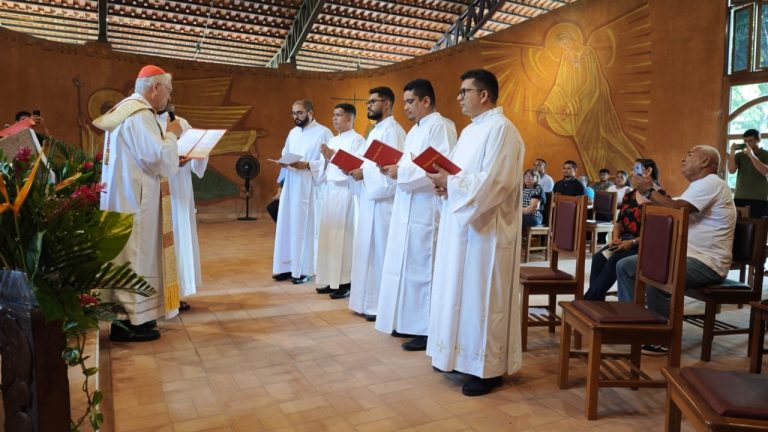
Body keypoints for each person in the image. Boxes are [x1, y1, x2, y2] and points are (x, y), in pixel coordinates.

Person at [426, 69, 525, 396]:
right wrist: (444, 185)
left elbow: (496, 182)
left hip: (488, 232)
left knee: (483, 299)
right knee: (458, 294)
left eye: (464, 91)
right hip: (462, 227)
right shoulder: (470, 132)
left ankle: (487, 370)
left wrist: (450, 183)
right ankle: (456, 355)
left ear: (483, 95)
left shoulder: (503, 130)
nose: (459, 97)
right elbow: (458, 175)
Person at [615, 145, 736, 355]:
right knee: (625, 265)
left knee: (660, 273)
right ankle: (631, 322)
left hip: (707, 263)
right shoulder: (698, 186)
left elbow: (678, 209)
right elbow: (670, 207)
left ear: (706, 161)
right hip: (687, 256)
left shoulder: (712, 183)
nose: (683, 159)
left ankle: (660, 337)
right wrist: (649, 190)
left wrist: (649, 190)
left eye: (689, 154)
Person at [95, 65, 184, 342]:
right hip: (137, 202)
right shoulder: (140, 114)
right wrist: (171, 134)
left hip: (124, 197)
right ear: (155, 88)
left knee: (128, 258)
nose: (168, 98)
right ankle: (129, 323)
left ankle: (137, 318)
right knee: (135, 258)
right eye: (168, 91)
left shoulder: (124, 110)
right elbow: (158, 159)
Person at [376, 79, 457, 351]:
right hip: (407, 205)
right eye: (405, 102)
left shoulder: (441, 126)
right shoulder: (414, 131)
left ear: (425, 101)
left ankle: (426, 329)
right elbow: (407, 162)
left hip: (427, 210)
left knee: (424, 268)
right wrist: (392, 168)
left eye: (411, 101)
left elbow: (439, 167)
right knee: (407, 268)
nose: (406, 107)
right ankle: (409, 322)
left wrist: (403, 172)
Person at [344, 87, 406, 310]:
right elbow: (372, 163)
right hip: (371, 199)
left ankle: (379, 305)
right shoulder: (377, 130)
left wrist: (364, 173)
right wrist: (356, 168)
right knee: (367, 251)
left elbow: (392, 171)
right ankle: (365, 303)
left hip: (384, 203)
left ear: (387, 103)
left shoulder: (394, 131)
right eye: (367, 103)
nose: (368, 106)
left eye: (373, 102)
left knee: (380, 253)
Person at [272, 100, 333, 284]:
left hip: (310, 187)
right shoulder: (293, 133)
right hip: (292, 184)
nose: (295, 117)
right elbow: (286, 152)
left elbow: (328, 162)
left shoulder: (323, 132)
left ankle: (306, 269)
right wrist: (283, 165)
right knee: (288, 225)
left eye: (299, 113)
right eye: (293, 113)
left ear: (310, 112)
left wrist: (306, 165)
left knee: (307, 228)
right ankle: (287, 266)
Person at [585, 159, 664, 301]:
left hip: (644, 244)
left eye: (635, 169)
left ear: (648, 171)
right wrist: (615, 239)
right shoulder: (630, 196)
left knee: (615, 260)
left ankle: (588, 300)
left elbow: (658, 232)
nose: (631, 173)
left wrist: (632, 242)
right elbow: (619, 223)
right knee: (598, 258)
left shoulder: (660, 198)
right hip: (624, 241)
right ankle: (596, 302)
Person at [313, 103, 366, 298]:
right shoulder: (333, 140)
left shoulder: (358, 140)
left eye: (339, 115)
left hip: (346, 192)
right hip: (330, 191)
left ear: (350, 118)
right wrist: (326, 159)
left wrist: (333, 156)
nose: (334, 118)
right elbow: (323, 168)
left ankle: (344, 282)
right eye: (333, 115)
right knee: (328, 236)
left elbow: (357, 166)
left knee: (344, 238)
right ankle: (329, 279)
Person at [158, 110, 206, 311]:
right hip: (159, 190)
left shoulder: (182, 123)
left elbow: (197, 162)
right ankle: (159, 297)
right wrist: (173, 160)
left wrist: (202, 148)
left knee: (179, 242)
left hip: (180, 190)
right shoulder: (145, 123)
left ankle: (176, 293)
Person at [727, 129, 768, 218]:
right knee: (739, 227)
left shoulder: (765, 154)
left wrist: (751, 155)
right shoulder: (740, 155)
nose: (747, 143)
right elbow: (731, 170)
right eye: (745, 141)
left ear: (758, 140)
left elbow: (764, 171)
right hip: (740, 196)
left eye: (750, 141)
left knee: (758, 228)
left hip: (759, 198)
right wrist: (732, 153)